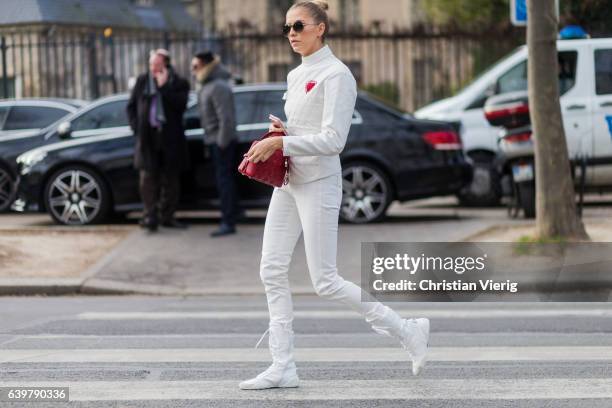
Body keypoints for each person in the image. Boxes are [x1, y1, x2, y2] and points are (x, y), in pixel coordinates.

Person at [238, 0, 430, 390]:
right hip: (291, 182)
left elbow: (333, 140)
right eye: (287, 27)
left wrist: (281, 144)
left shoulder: (338, 75)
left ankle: (407, 330)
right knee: (271, 269)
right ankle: (283, 366)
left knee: (324, 280)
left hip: (320, 183)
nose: (291, 32)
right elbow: (305, 128)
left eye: (299, 25)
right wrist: (284, 130)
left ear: (320, 28)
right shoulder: (296, 75)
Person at [127, 49, 190, 232]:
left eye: (157, 65)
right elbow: (131, 106)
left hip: (170, 138)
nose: (153, 69)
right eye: (151, 65)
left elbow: (181, 105)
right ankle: (150, 216)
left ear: (166, 65)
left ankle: (167, 216)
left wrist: (164, 88)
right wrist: (136, 128)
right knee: (147, 178)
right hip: (148, 137)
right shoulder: (142, 81)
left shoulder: (178, 82)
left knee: (170, 179)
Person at [191, 51, 240, 237]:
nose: (192, 70)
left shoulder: (217, 86)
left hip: (221, 141)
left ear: (204, 65)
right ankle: (232, 216)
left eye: (195, 66)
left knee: (224, 181)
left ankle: (228, 221)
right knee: (224, 180)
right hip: (215, 139)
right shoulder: (208, 85)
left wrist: (221, 142)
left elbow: (226, 119)